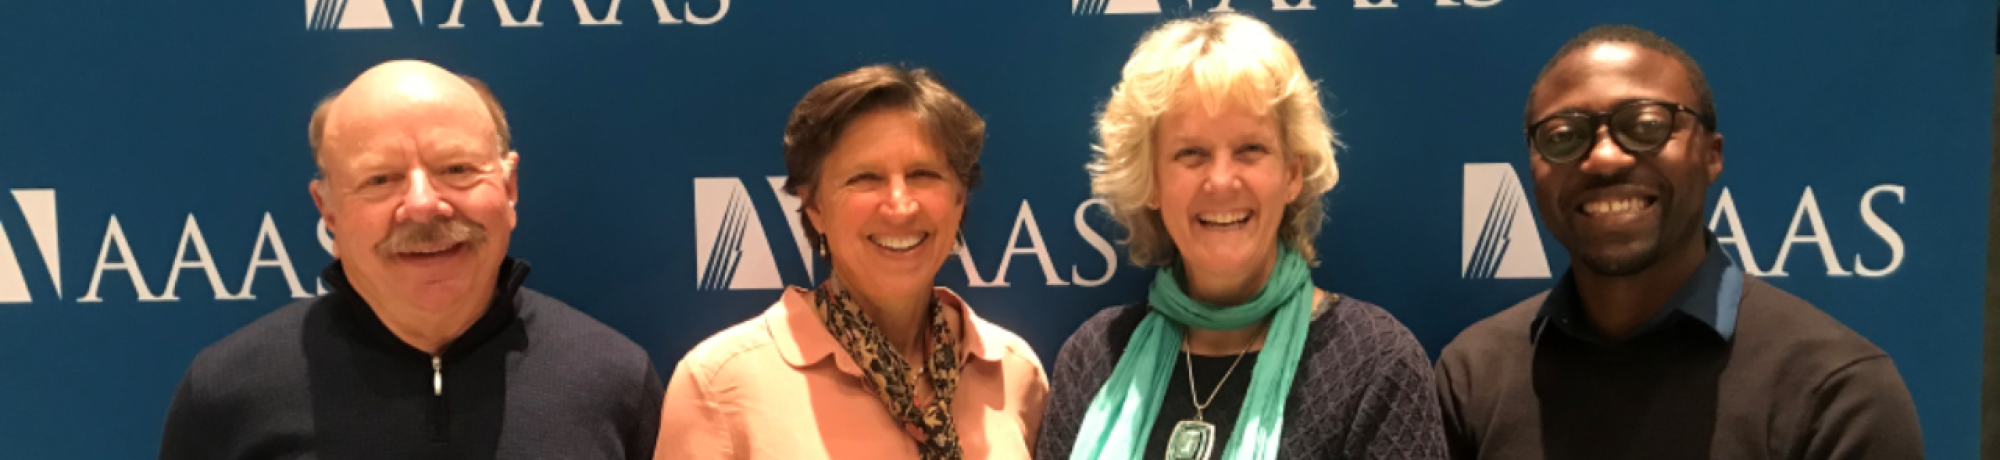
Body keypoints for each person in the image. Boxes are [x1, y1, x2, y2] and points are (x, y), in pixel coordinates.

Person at [1433, 24, 1924, 460]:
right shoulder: (1475, 374)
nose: (1604, 159)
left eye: (1647, 126)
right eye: (1563, 135)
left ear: (1712, 155)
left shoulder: (1836, 391)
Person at [158, 60, 663, 459]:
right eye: (380, 179)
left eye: (457, 169)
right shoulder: (227, 392)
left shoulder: (614, 380)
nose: (423, 205)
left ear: (509, 187)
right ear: (328, 211)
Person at [1036, 13, 1447, 460]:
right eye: (1191, 153)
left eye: (1250, 149)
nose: (1221, 181)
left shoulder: (1376, 364)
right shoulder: (1093, 357)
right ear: (1151, 180)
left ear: (1293, 174)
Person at [654, 64, 1048, 460]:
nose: (900, 205)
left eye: (923, 174)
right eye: (865, 178)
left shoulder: (1013, 373)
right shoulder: (720, 386)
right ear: (814, 207)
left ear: (959, 199)